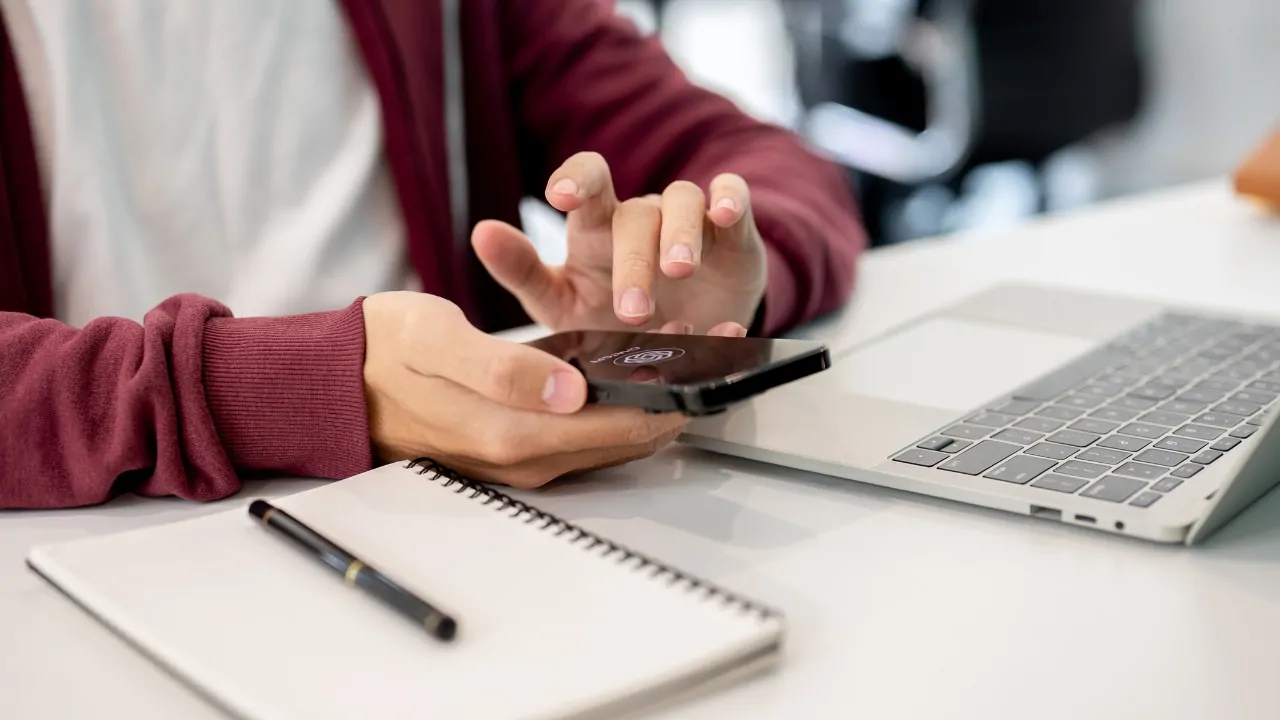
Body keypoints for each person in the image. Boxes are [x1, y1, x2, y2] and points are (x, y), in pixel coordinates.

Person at [0, 0, 866, 509]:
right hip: (93, 550)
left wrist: (714, 261)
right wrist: (299, 388)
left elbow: (769, 165)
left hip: (475, 507)